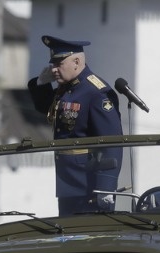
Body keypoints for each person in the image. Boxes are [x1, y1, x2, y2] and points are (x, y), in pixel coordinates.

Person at [28, 35, 123, 216]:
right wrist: (41, 82)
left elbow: (113, 142)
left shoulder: (96, 93)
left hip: (90, 185)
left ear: (77, 61)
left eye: (59, 64)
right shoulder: (69, 89)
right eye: (53, 64)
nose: (54, 69)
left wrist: (106, 186)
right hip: (68, 182)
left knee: (91, 240)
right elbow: (43, 107)